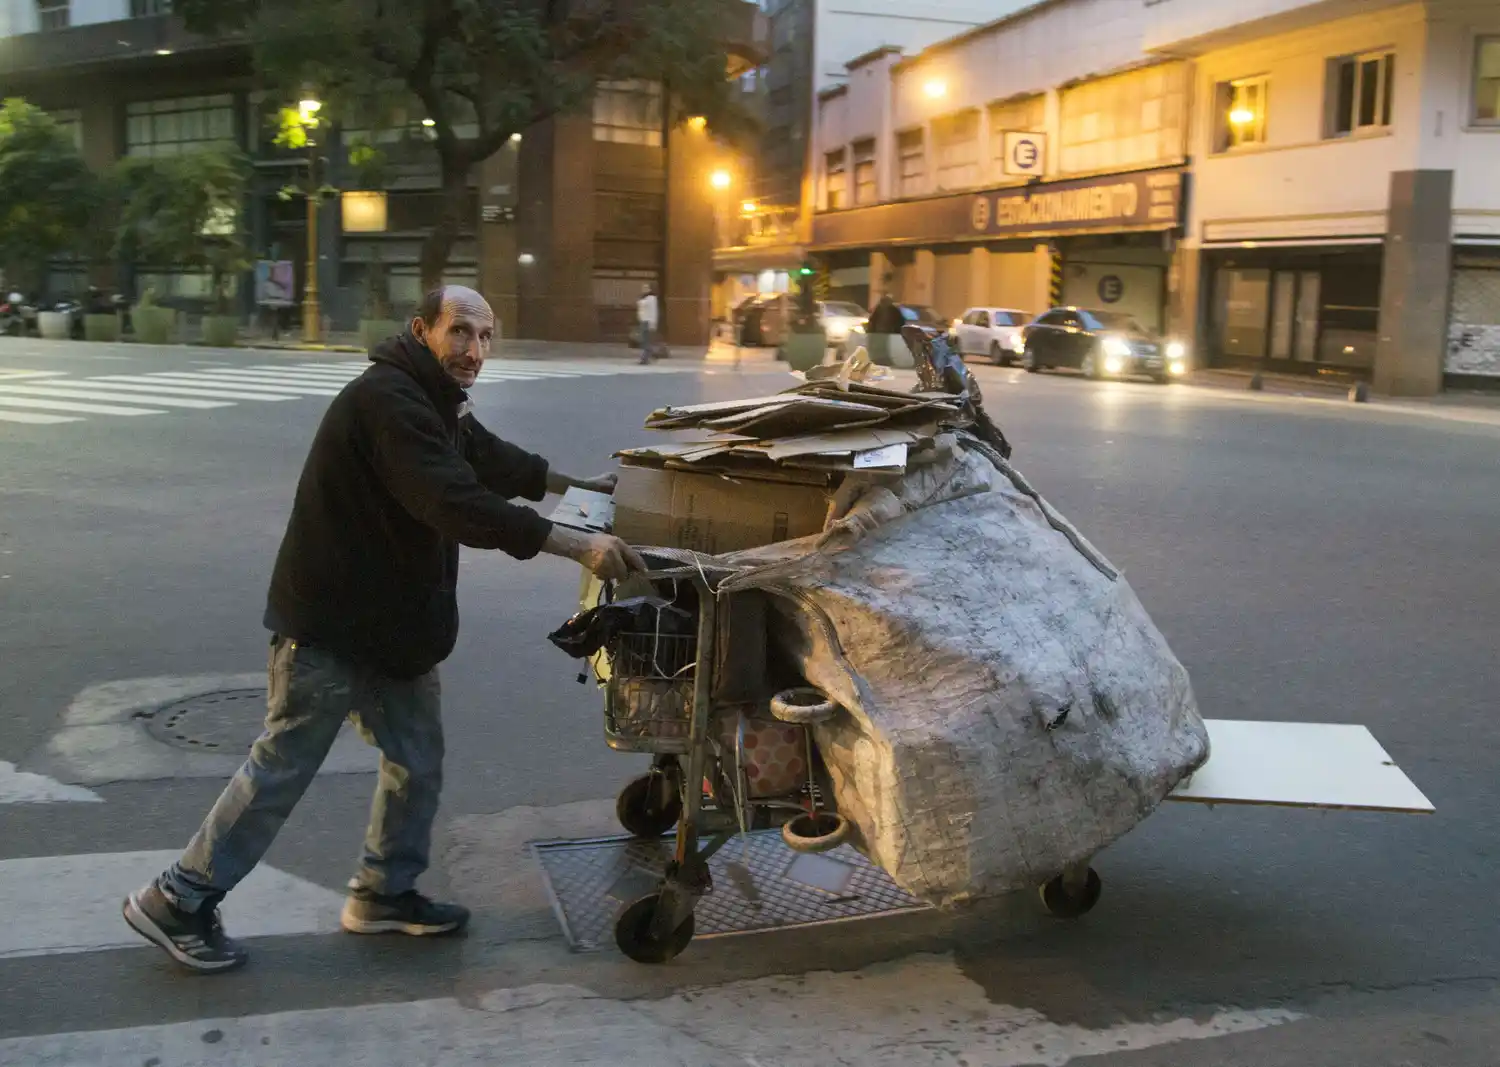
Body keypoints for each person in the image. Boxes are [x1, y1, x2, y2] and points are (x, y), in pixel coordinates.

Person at [123, 285, 646, 973]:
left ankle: (384, 892)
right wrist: (576, 544)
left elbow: (488, 456)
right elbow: (452, 499)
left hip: (394, 631)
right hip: (333, 628)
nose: (474, 351)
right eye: (460, 332)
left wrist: (580, 485)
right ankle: (176, 898)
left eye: (486, 336)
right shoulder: (388, 401)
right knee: (281, 769)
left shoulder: (431, 400)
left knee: (416, 761)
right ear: (422, 329)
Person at [636, 283, 660, 365]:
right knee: (645, 341)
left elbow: (652, 310)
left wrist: (653, 323)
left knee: (645, 341)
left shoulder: (651, 298)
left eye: (646, 287)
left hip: (647, 321)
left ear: (650, 289)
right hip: (644, 321)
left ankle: (645, 359)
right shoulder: (646, 298)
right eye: (643, 287)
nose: (643, 289)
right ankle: (653, 354)